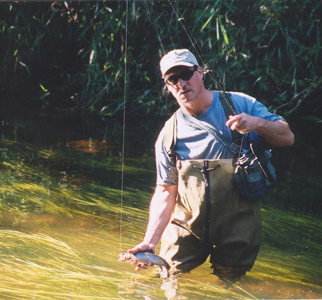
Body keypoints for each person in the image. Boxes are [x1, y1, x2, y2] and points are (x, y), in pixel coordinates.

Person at [124, 49, 294, 280]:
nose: (181, 83)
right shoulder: (169, 133)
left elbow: (287, 137)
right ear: (167, 85)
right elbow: (165, 191)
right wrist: (149, 242)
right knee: (168, 281)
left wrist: (257, 123)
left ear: (200, 73)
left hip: (238, 226)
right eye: (172, 79)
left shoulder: (239, 103)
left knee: (230, 287)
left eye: (185, 74)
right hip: (186, 229)